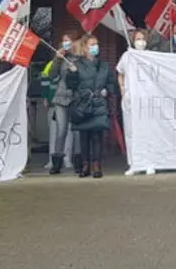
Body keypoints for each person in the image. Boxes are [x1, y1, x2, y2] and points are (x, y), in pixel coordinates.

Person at [65, 36, 119, 178]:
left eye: (97, 44)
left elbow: (111, 82)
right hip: (83, 104)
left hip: (99, 103)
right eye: (92, 44)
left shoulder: (104, 65)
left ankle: (96, 165)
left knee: (97, 135)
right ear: (84, 47)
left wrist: (108, 91)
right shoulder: (77, 64)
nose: (96, 47)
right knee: (84, 136)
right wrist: (72, 73)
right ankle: (85, 165)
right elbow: (70, 85)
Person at [43, 34, 78, 174]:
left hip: (76, 98)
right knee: (60, 130)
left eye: (68, 41)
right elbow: (51, 75)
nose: (66, 43)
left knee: (76, 131)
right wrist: (57, 59)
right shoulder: (60, 58)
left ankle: (76, 161)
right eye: (63, 41)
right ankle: (56, 163)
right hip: (61, 98)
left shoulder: (80, 58)